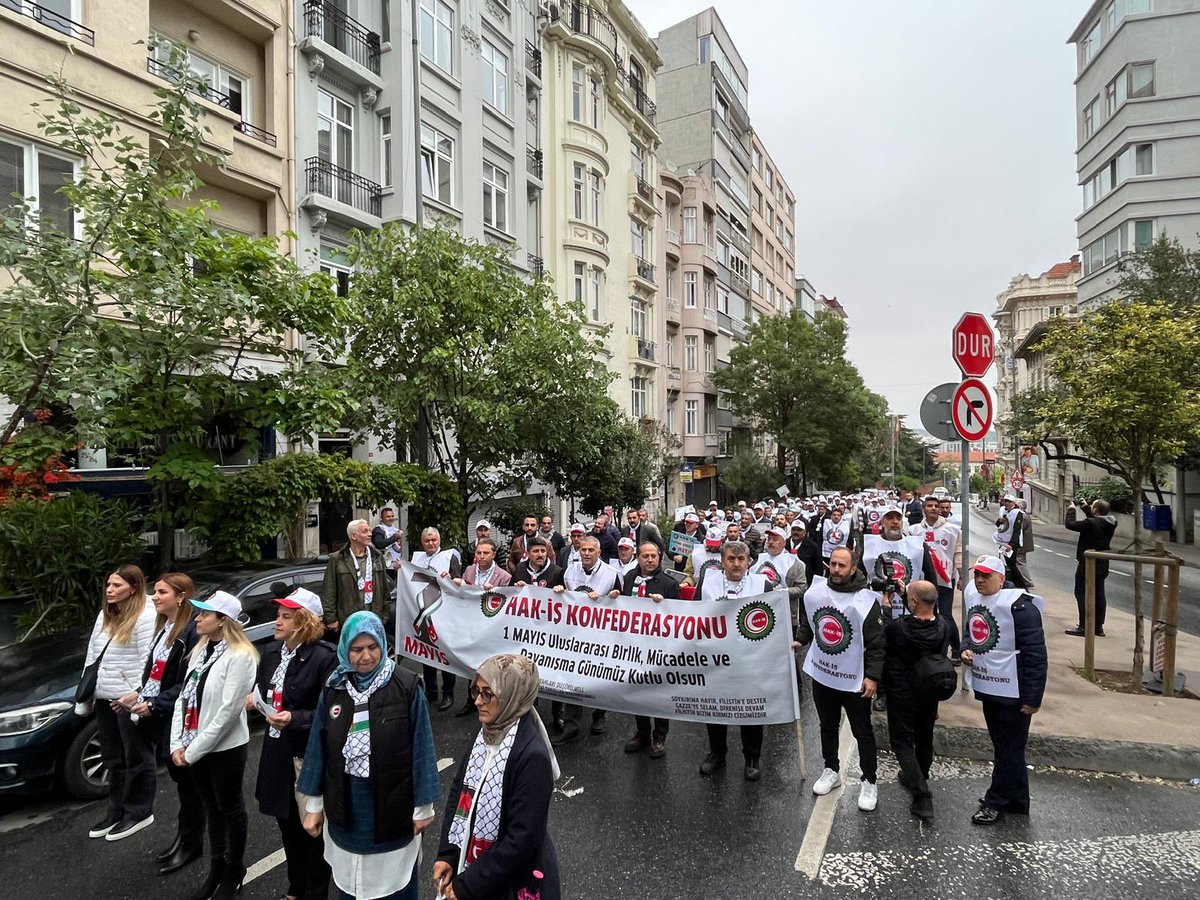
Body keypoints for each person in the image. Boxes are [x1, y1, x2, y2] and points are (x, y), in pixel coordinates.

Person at [298, 612, 440, 900]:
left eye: (372, 647)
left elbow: (422, 747)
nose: (365, 657)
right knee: (350, 887)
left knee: (395, 887)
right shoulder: (335, 687)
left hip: (392, 808)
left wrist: (424, 806)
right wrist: (312, 805)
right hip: (346, 807)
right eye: (357, 649)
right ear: (345, 649)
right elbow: (318, 745)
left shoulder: (406, 685)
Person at [434, 654, 561, 900]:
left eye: (488, 694)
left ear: (511, 695)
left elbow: (521, 840)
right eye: (476, 692)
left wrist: (468, 886)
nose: (478, 702)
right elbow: (460, 793)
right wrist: (448, 854)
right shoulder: (486, 733)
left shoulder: (532, 756)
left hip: (512, 883)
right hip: (482, 870)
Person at [169, 590, 260, 900]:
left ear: (223, 621)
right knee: (211, 808)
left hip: (224, 749)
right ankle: (217, 868)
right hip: (194, 746)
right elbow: (184, 698)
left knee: (230, 808)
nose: (197, 618)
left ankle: (234, 871)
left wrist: (192, 751)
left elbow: (227, 713)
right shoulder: (200, 650)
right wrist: (176, 744)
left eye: (205, 614)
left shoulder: (241, 656)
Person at [250, 587, 338, 900]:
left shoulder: (324, 658)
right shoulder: (272, 653)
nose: (277, 621)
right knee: (286, 825)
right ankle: (295, 887)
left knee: (311, 832)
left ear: (303, 622)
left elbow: (332, 713)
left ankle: (315, 891)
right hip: (277, 753)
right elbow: (265, 690)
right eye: (279, 615)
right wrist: (255, 701)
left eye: (286, 617)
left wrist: (295, 718)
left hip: (305, 756)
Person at [118, 573, 203, 875]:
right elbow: (155, 674)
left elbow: (188, 684)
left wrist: (155, 703)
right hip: (160, 716)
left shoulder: (192, 631)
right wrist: (138, 695)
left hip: (179, 720)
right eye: (154, 591)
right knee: (182, 785)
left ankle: (192, 844)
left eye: (161, 592)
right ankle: (184, 840)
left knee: (190, 786)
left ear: (181, 597)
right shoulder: (164, 628)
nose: (154, 597)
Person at [960, 556, 1047, 826]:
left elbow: (1035, 655)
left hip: (1015, 692)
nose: (980, 580)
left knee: (1009, 748)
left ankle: (995, 801)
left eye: (987, 576)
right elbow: (971, 630)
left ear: (1001, 577)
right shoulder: (977, 598)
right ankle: (1018, 800)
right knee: (1006, 746)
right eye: (978, 576)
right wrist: (965, 647)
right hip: (990, 688)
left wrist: (1033, 698)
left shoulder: (1022, 607)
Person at [797, 547, 885, 812]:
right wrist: (799, 639)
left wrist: (872, 677)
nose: (836, 570)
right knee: (827, 725)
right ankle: (830, 769)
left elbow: (878, 644)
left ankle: (869, 780)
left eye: (842, 566)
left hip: (854, 680)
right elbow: (808, 623)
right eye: (833, 564)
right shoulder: (816, 592)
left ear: (853, 568)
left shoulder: (866, 600)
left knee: (862, 731)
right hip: (823, 675)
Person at [81, 565, 158, 843]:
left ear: (133, 588)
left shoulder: (146, 616)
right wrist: (86, 693)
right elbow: (92, 654)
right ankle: (116, 811)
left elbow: (148, 661)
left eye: (116, 586)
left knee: (136, 756)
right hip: (105, 696)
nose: (109, 590)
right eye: (108, 585)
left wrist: (136, 694)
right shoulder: (106, 614)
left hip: (128, 699)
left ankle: (138, 812)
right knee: (113, 758)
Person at [699, 541, 778, 781]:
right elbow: (691, 614)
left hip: (750, 661)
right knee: (715, 708)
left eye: (741, 559)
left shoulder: (762, 584)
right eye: (731, 559)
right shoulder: (707, 582)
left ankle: (752, 757)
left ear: (748, 561)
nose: (736, 564)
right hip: (715, 659)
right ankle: (717, 754)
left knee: (751, 709)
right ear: (722, 561)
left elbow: (774, 619)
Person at [884, 580, 953, 822]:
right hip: (930, 690)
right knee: (924, 738)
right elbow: (923, 614)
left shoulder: (898, 629)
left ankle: (921, 796)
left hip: (902, 692)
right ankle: (919, 776)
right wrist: (908, 594)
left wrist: (885, 606)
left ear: (913, 602)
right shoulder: (944, 626)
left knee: (902, 742)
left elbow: (887, 635)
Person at [613, 542, 680, 758]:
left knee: (658, 693)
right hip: (633, 646)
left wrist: (665, 605)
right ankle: (641, 732)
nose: (650, 560)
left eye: (654, 556)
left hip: (658, 648)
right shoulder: (630, 577)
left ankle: (659, 736)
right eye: (645, 556)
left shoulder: (669, 584)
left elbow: (679, 617)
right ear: (638, 557)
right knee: (637, 691)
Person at [551, 535, 621, 744]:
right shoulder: (569, 570)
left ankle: (599, 715)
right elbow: (557, 592)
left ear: (599, 553)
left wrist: (616, 596)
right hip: (574, 635)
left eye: (591, 550)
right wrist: (558, 591)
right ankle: (572, 725)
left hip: (602, 636)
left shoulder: (612, 574)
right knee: (573, 677)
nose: (587, 554)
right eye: (583, 550)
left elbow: (627, 605)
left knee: (599, 676)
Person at [411, 526, 464, 711]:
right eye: (427, 541)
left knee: (445, 654)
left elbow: (459, 583)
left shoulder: (449, 557)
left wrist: (450, 579)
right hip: (424, 612)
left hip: (445, 612)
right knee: (426, 652)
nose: (431, 543)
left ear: (439, 541)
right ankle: (431, 690)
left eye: (433, 540)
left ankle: (448, 692)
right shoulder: (417, 558)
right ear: (422, 542)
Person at [908, 496, 963, 661]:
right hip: (923, 580)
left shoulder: (953, 530)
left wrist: (961, 577)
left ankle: (954, 648)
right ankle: (928, 649)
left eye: (936, 506)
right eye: (929, 505)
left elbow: (958, 553)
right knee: (924, 614)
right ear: (924, 508)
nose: (933, 508)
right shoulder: (914, 530)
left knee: (945, 615)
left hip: (945, 578)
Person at [322, 520, 392, 635]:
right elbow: (329, 590)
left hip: (373, 619)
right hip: (348, 621)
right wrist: (331, 619)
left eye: (369, 530)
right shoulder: (337, 558)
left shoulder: (377, 556)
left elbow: (385, 588)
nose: (370, 534)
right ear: (354, 536)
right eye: (365, 531)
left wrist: (384, 616)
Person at [1064, 498, 1118, 637]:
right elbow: (1096, 524)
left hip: (1088, 562)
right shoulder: (1111, 522)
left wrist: (1071, 509)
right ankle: (1098, 627)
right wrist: (1087, 509)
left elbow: (1070, 525)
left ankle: (1084, 626)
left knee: (1081, 593)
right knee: (1099, 594)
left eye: (1093, 507)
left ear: (1096, 510)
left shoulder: (1091, 523)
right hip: (1103, 562)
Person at [993, 495, 1033, 589]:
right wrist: (999, 521)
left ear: (1013, 503)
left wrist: (1011, 544)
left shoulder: (1018, 513)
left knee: (1012, 565)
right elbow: (999, 525)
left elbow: (1017, 530)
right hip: (1004, 541)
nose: (1006, 503)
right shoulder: (1005, 511)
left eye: (1009, 502)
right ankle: (1017, 584)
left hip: (1012, 543)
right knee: (1010, 564)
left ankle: (1022, 586)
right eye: (1005, 501)